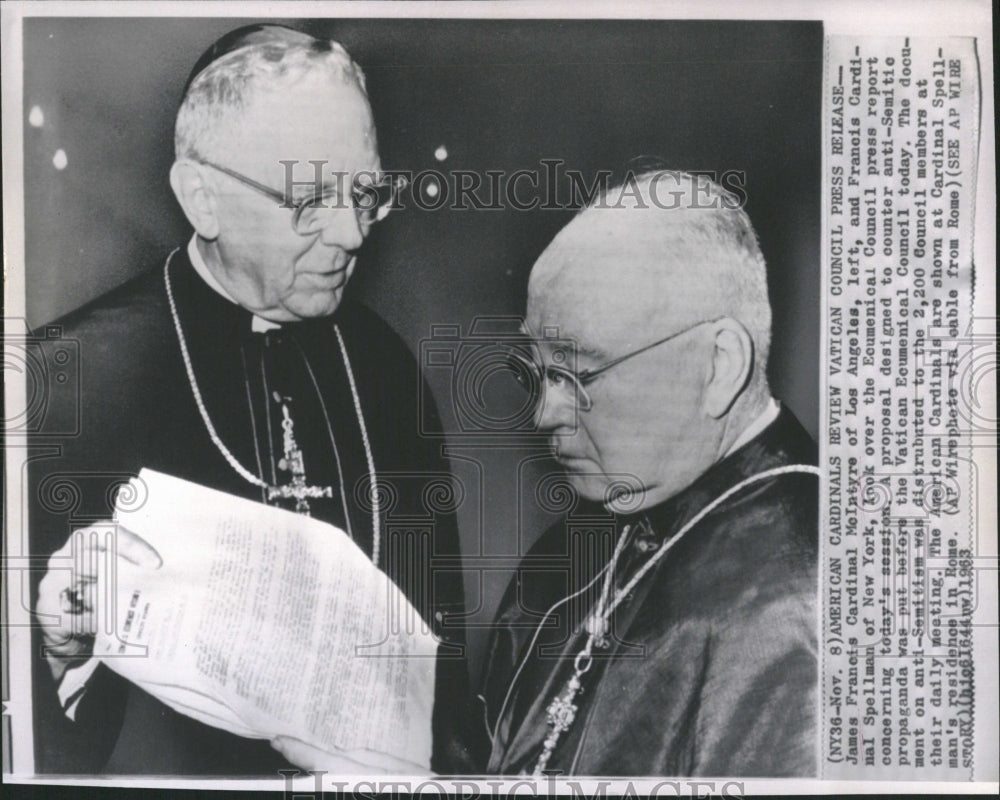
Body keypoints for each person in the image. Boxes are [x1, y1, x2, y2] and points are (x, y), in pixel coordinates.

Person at [31, 24, 477, 776]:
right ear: (202, 198)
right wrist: (55, 656)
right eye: (308, 199)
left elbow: (445, 676)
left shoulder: (385, 369)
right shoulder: (60, 385)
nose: (350, 232)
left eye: (366, 192)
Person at [479, 169, 819, 776]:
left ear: (719, 365)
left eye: (578, 374)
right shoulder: (565, 559)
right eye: (538, 370)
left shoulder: (811, 594)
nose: (545, 412)